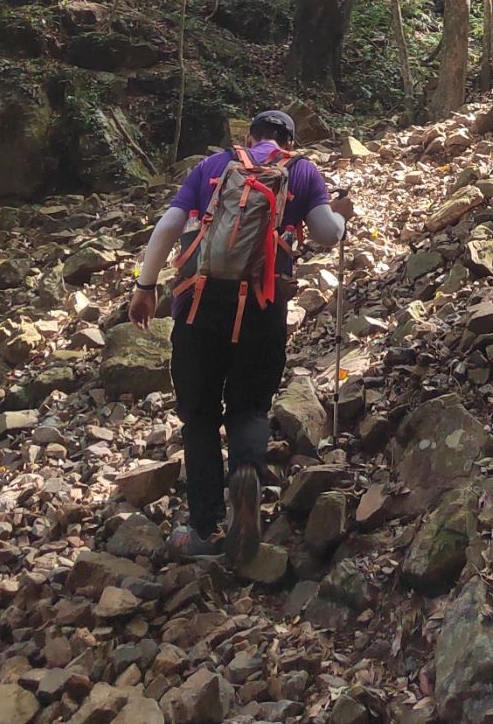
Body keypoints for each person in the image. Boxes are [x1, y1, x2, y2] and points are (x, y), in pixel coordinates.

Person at [129, 109, 353, 562]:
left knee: (200, 415)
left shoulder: (212, 167)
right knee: (250, 404)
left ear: (249, 138)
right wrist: (343, 220)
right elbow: (328, 233)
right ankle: (247, 473)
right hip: (263, 306)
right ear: (287, 141)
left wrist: (145, 286)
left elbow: (168, 227)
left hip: (197, 303)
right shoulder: (301, 170)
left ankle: (203, 529)